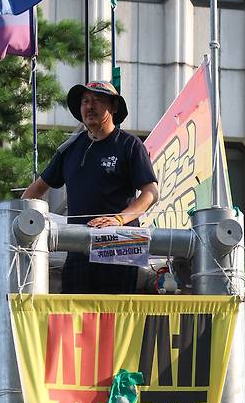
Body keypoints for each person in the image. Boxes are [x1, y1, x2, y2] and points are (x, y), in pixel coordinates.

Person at [22, 79, 159, 293]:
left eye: (97, 100)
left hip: (120, 244)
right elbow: (34, 191)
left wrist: (119, 219)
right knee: (75, 319)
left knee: (118, 320)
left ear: (113, 107)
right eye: (85, 101)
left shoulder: (129, 145)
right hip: (78, 246)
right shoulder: (69, 148)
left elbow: (151, 193)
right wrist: (21, 220)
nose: (89, 106)